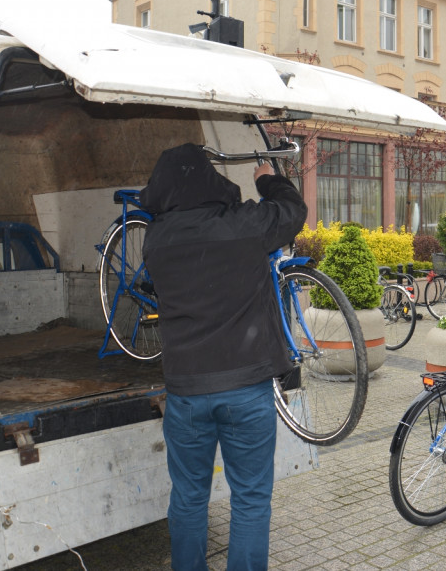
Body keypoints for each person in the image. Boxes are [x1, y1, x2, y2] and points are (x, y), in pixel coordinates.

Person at [140, 142, 307, 570]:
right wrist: (267, 178)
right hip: (246, 391)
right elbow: (293, 211)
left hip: (186, 394)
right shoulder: (245, 225)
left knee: (189, 498)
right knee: (250, 500)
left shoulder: (156, 239)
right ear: (210, 178)